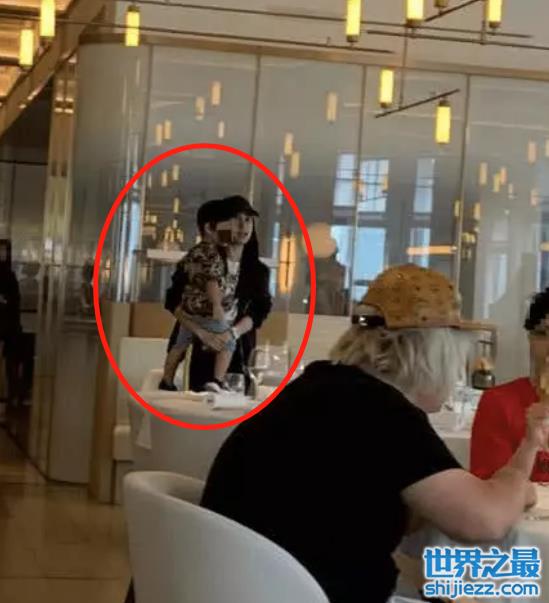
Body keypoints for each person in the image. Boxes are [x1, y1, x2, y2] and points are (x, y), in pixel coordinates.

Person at [201, 264, 546, 603]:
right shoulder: (382, 412)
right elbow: (485, 521)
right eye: (458, 356)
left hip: (240, 585)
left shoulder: (322, 387)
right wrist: (519, 481)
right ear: (433, 354)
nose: (459, 370)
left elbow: (372, 507)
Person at [165, 195, 272, 392]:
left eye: (248, 220)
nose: (243, 226)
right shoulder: (202, 259)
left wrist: (232, 333)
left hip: (239, 352)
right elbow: (172, 300)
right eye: (236, 219)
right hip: (200, 348)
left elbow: (259, 311)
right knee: (200, 401)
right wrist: (202, 333)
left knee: (235, 401)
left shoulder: (258, 271)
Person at [159, 202, 242, 393]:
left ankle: (167, 380)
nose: (230, 231)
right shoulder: (211, 254)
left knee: (179, 346)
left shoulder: (193, 252)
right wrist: (217, 307)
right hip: (206, 312)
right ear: (209, 228)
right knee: (229, 342)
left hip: (189, 311)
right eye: (225, 226)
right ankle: (217, 381)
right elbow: (211, 281)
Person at [471, 287, 549, 481]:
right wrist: (530, 444)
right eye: (542, 334)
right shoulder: (499, 402)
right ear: (530, 339)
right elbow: (488, 487)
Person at [0, 239, 22, 405]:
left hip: (9, 324)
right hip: (7, 323)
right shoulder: (10, 275)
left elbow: (15, 300)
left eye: (5, 251)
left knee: (11, 361)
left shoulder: (10, 275)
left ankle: (11, 394)